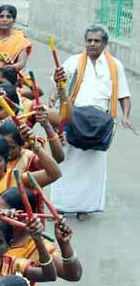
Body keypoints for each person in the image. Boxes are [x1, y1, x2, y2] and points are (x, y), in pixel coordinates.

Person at [51, 23, 134, 220]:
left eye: (97, 41)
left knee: (93, 166)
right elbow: (60, 85)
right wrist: (55, 94)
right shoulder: (72, 61)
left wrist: (126, 116)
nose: (92, 44)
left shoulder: (115, 66)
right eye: (89, 41)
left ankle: (85, 208)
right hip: (73, 117)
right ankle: (61, 205)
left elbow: (123, 94)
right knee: (66, 160)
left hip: (100, 122)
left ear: (105, 43)